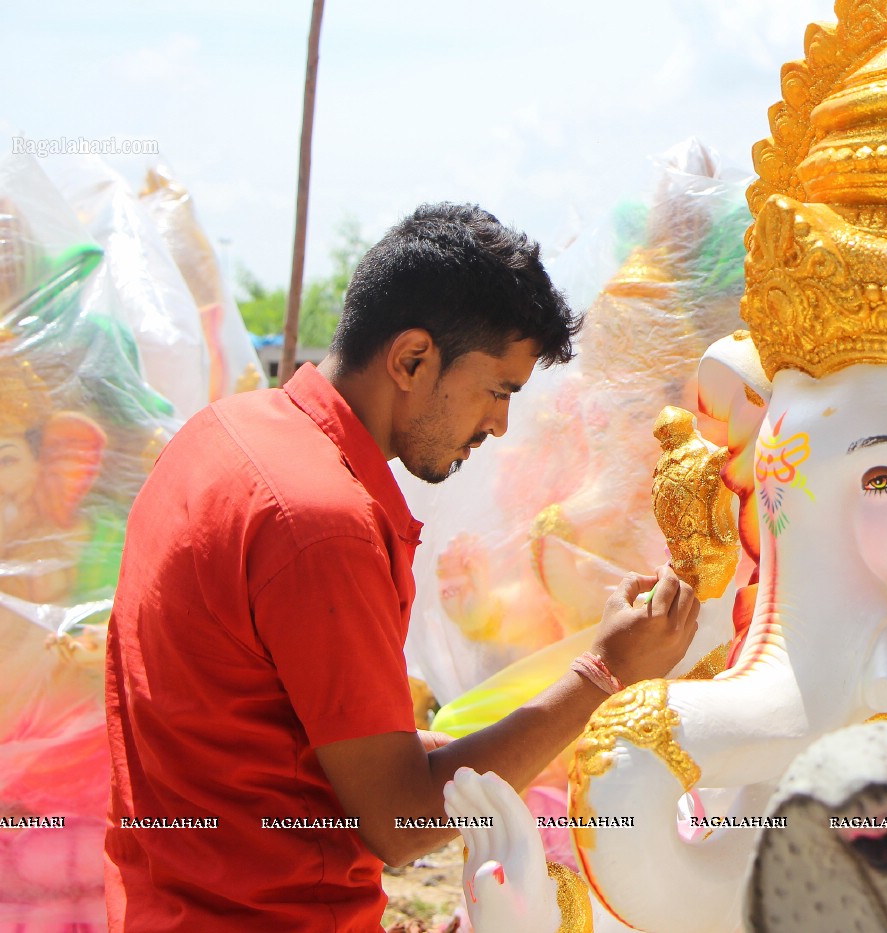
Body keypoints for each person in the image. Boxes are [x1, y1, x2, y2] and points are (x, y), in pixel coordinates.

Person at [104, 202, 700, 931]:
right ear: (413, 358)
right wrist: (604, 670)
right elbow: (401, 821)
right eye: (498, 391)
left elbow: (258, 726)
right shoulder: (319, 523)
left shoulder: (221, 434)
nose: (499, 426)